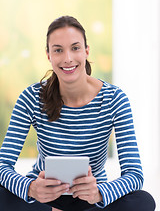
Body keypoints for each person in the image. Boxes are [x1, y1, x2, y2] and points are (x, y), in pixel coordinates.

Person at [0, 16, 156, 211]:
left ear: (86, 51)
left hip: (92, 199)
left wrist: (99, 193)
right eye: (58, 50)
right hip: (44, 199)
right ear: (48, 55)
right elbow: (2, 165)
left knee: (143, 201)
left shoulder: (115, 99)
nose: (67, 58)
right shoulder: (31, 97)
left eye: (75, 48)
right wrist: (31, 188)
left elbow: (134, 174)